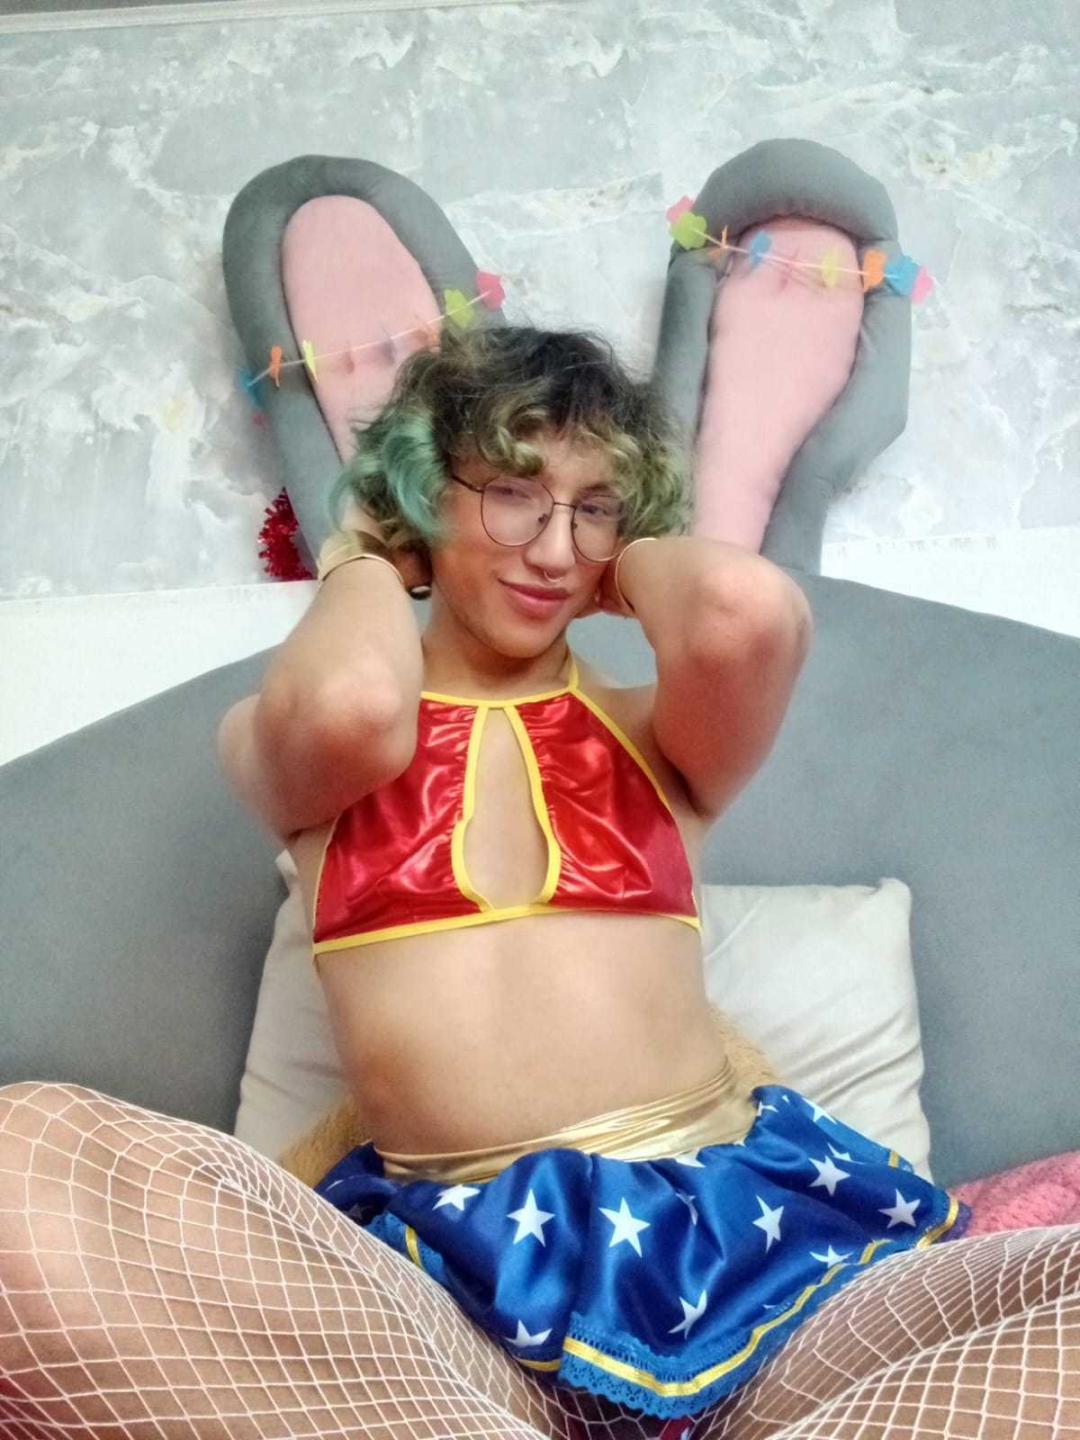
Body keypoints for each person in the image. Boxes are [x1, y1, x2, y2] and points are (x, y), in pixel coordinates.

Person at [1, 325, 1075, 1440]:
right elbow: (353, 710)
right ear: (424, 493)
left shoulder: (662, 741)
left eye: (594, 507)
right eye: (513, 493)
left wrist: (624, 555)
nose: (555, 551)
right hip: (443, 1306)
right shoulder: (291, 750)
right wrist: (367, 554)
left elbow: (745, 614)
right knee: (22, 1157)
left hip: (743, 1259)